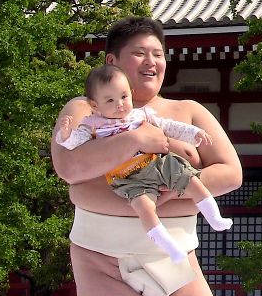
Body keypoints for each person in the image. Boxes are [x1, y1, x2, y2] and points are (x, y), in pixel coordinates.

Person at [51, 16, 242, 296]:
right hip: (105, 265)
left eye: (158, 53)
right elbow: (71, 172)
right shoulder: (85, 111)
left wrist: (164, 195)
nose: (151, 61)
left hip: (175, 261)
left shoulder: (186, 111)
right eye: (139, 53)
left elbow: (230, 172)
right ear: (112, 61)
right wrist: (137, 139)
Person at [57, 64, 232, 261]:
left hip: (155, 162)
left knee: (190, 179)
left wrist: (193, 133)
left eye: (124, 97)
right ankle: (169, 246)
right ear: (95, 105)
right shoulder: (92, 125)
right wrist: (65, 135)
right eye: (110, 100)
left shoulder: (141, 114)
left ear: (131, 94)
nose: (120, 104)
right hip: (126, 176)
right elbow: (75, 143)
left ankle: (215, 218)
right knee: (145, 209)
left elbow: (168, 127)